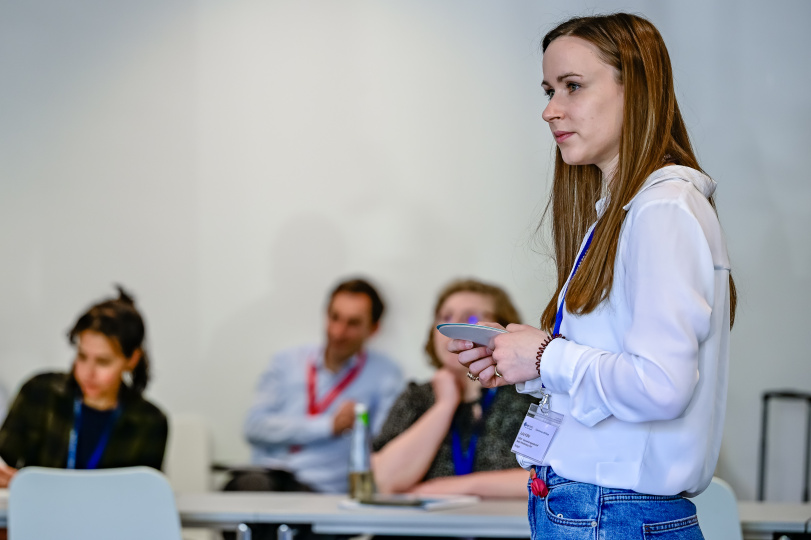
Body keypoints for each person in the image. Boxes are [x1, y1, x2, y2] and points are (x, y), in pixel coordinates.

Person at [453, 13, 736, 539]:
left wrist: (545, 355)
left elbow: (660, 386)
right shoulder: (625, 212)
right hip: (597, 507)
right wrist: (524, 364)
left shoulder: (662, 209)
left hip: (612, 513)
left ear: (640, 91)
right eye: (549, 89)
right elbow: (620, 375)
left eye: (573, 87)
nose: (549, 110)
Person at [372, 279, 535, 498]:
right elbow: (383, 480)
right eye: (445, 318)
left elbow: (545, 479)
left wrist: (462, 487)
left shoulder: (526, 395)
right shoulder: (416, 397)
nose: (453, 328)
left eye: (471, 318)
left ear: (500, 330)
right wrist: (444, 406)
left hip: (500, 529)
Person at [242, 277, 403, 494]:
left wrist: (359, 427)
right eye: (334, 317)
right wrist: (328, 426)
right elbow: (253, 427)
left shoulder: (385, 375)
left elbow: (384, 450)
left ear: (373, 329)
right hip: (268, 478)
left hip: (324, 491)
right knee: (245, 489)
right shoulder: (287, 362)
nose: (338, 332)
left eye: (352, 323)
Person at [0, 286, 168, 488]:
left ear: (132, 359)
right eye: (82, 356)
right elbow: (4, 456)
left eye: (103, 362)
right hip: (39, 514)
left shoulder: (150, 422)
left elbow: (140, 495)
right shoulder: (39, 392)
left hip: (106, 518)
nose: (88, 372)